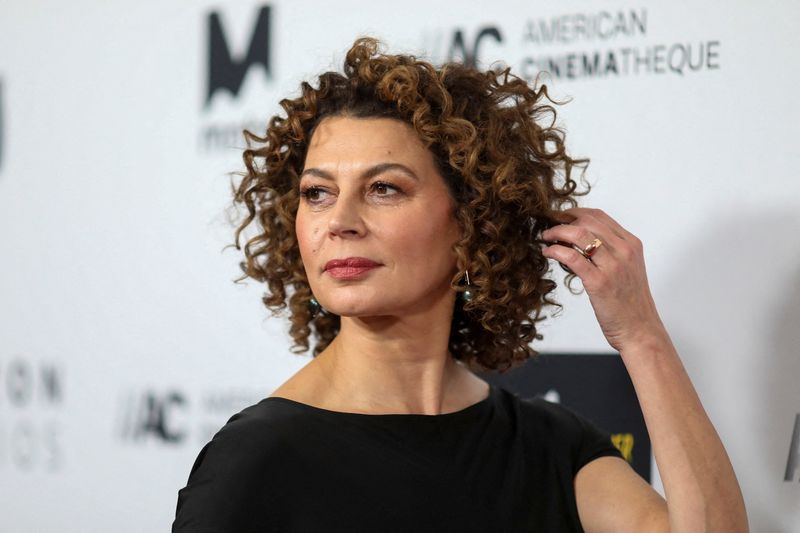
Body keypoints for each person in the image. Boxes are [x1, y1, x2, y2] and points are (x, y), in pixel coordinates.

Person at [172, 37, 748, 532]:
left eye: (384, 188)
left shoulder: (549, 446)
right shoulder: (257, 461)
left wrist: (642, 336)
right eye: (316, 193)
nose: (338, 221)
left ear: (474, 219)